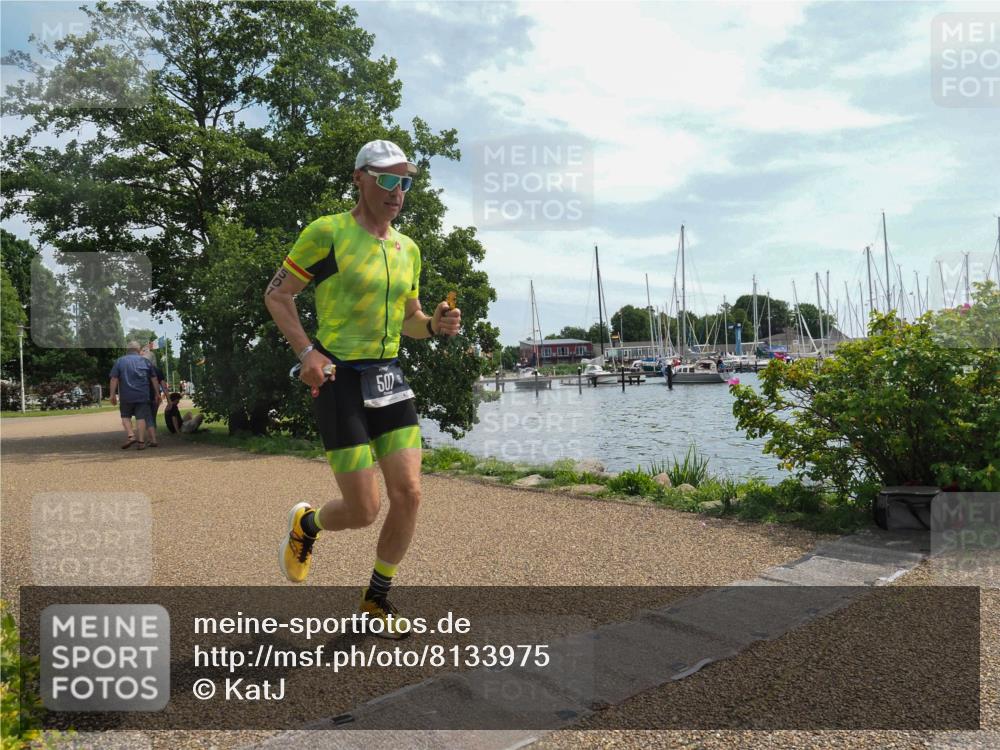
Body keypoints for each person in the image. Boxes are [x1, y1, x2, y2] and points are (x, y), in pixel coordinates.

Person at [264, 139, 460, 637]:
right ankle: (306, 525)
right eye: (388, 179)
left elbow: (410, 319)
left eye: (406, 181)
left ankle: (376, 599)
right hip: (340, 379)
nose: (398, 191)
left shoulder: (408, 248)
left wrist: (434, 325)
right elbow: (277, 294)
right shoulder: (327, 233)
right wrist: (307, 353)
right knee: (363, 510)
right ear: (360, 179)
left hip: (389, 375)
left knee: (410, 493)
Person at [109, 341, 160, 450]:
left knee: (125, 416)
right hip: (143, 394)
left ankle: (131, 435)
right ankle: (141, 442)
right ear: (138, 350)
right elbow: (154, 378)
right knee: (141, 417)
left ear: (127, 350)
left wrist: (112, 394)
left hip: (126, 395)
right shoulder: (146, 362)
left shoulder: (120, 361)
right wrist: (156, 393)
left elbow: (114, 378)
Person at [143, 351, 168, 448]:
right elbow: (164, 386)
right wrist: (168, 400)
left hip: (144, 397)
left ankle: (151, 438)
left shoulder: (141, 369)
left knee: (146, 418)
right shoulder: (157, 370)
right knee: (152, 418)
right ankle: (152, 438)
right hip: (155, 397)